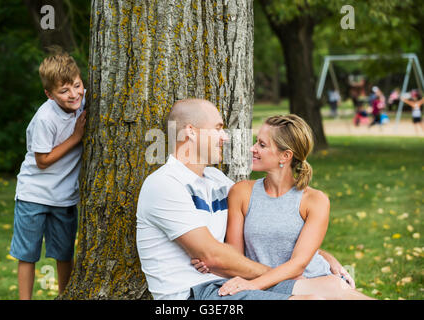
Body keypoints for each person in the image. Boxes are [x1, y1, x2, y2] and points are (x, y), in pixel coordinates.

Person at [136, 98, 370, 300]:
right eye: (218, 128)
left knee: (333, 287)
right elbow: (213, 256)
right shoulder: (164, 184)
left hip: (230, 280)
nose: (225, 138)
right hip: (195, 293)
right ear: (191, 132)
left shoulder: (216, 180)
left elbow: (263, 222)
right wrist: (279, 274)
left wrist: (320, 257)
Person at [192, 114, 373, 300]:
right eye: (256, 142)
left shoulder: (315, 200)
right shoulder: (242, 193)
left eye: (262, 145)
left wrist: (251, 285)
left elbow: (299, 264)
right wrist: (218, 266)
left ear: (285, 156)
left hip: (309, 279)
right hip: (272, 285)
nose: (252, 149)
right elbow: (236, 257)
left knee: (336, 289)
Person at [9, 49, 87, 299]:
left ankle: (65, 295)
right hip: (34, 194)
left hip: (64, 198)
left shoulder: (82, 104)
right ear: (49, 94)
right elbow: (42, 160)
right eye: (64, 91)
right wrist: (76, 137)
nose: (73, 94)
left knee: (64, 253)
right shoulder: (45, 118)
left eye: (77, 85)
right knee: (27, 253)